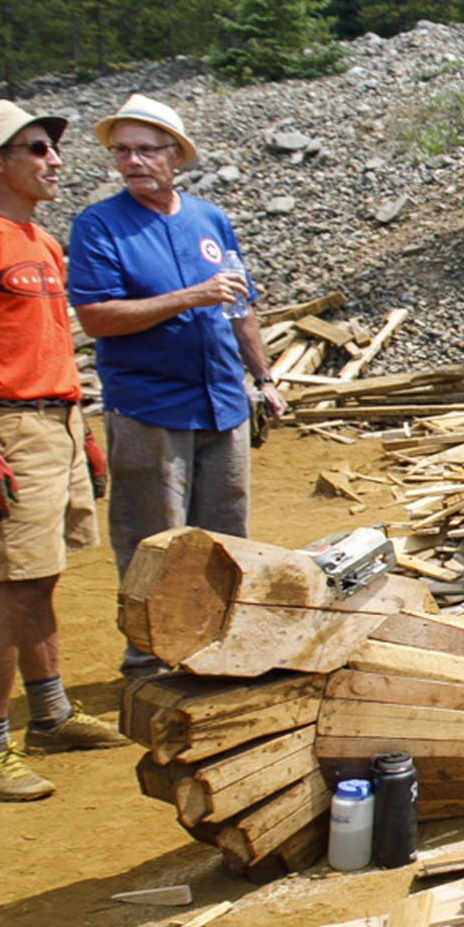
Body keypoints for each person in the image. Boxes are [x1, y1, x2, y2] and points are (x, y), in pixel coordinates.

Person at [0, 100, 131, 800]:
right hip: (7, 427)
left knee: (42, 578)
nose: (54, 160)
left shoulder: (40, 243)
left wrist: (80, 426)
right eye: (36, 149)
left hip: (56, 423)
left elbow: (48, 343)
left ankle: (51, 714)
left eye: (51, 148)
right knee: (10, 591)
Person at [65, 95, 288, 678]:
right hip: (150, 408)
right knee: (154, 542)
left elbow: (241, 307)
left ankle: (218, 650)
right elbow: (96, 318)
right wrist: (189, 298)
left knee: (225, 537)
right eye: (122, 151)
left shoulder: (208, 219)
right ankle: (150, 662)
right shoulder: (99, 226)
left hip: (222, 403)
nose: (133, 162)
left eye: (146, 150)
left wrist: (262, 378)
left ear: (176, 155)